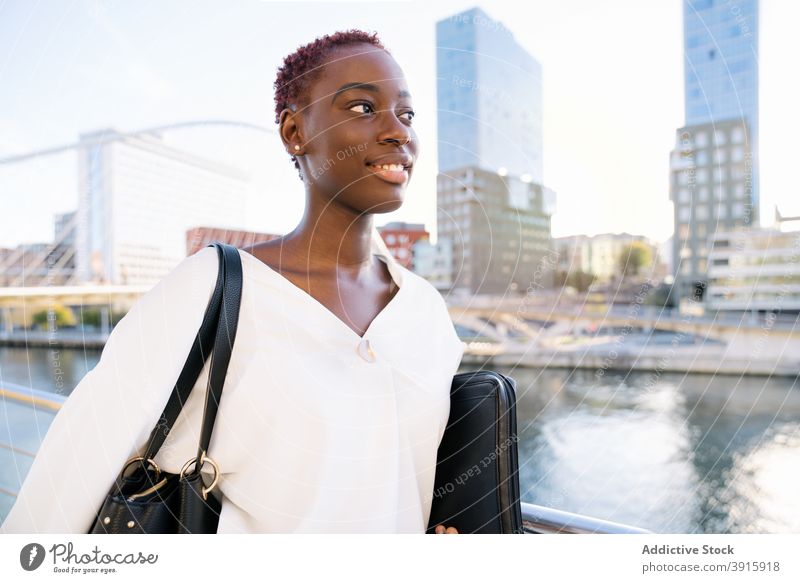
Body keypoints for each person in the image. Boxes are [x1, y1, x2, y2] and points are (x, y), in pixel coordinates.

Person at [1, 30, 462, 534]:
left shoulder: (426, 312)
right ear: (294, 133)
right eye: (361, 107)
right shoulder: (214, 288)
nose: (399, 130)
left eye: (408, 114)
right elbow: (68, 476)